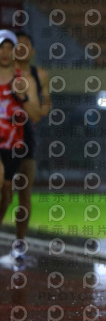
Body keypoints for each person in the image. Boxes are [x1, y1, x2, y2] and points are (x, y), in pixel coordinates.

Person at [0, 29, 41, 269]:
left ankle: (18, 245)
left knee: (12, 193)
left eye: (10, 48)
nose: (6, 52)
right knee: (2, 186)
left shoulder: (26, 80)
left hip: (18, 143)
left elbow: (36, 114)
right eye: (2, 48)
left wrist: (23, 97)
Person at [14, 32, 51, 246]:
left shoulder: (40, 76)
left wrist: (30, 102)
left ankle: (20, 242)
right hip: (3, 136)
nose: (21, 48)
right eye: (17, 45)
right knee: (5, 190)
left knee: (24, 192)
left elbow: (44, 107)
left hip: (26, 137)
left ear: (33, 50)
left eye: (25, 45)